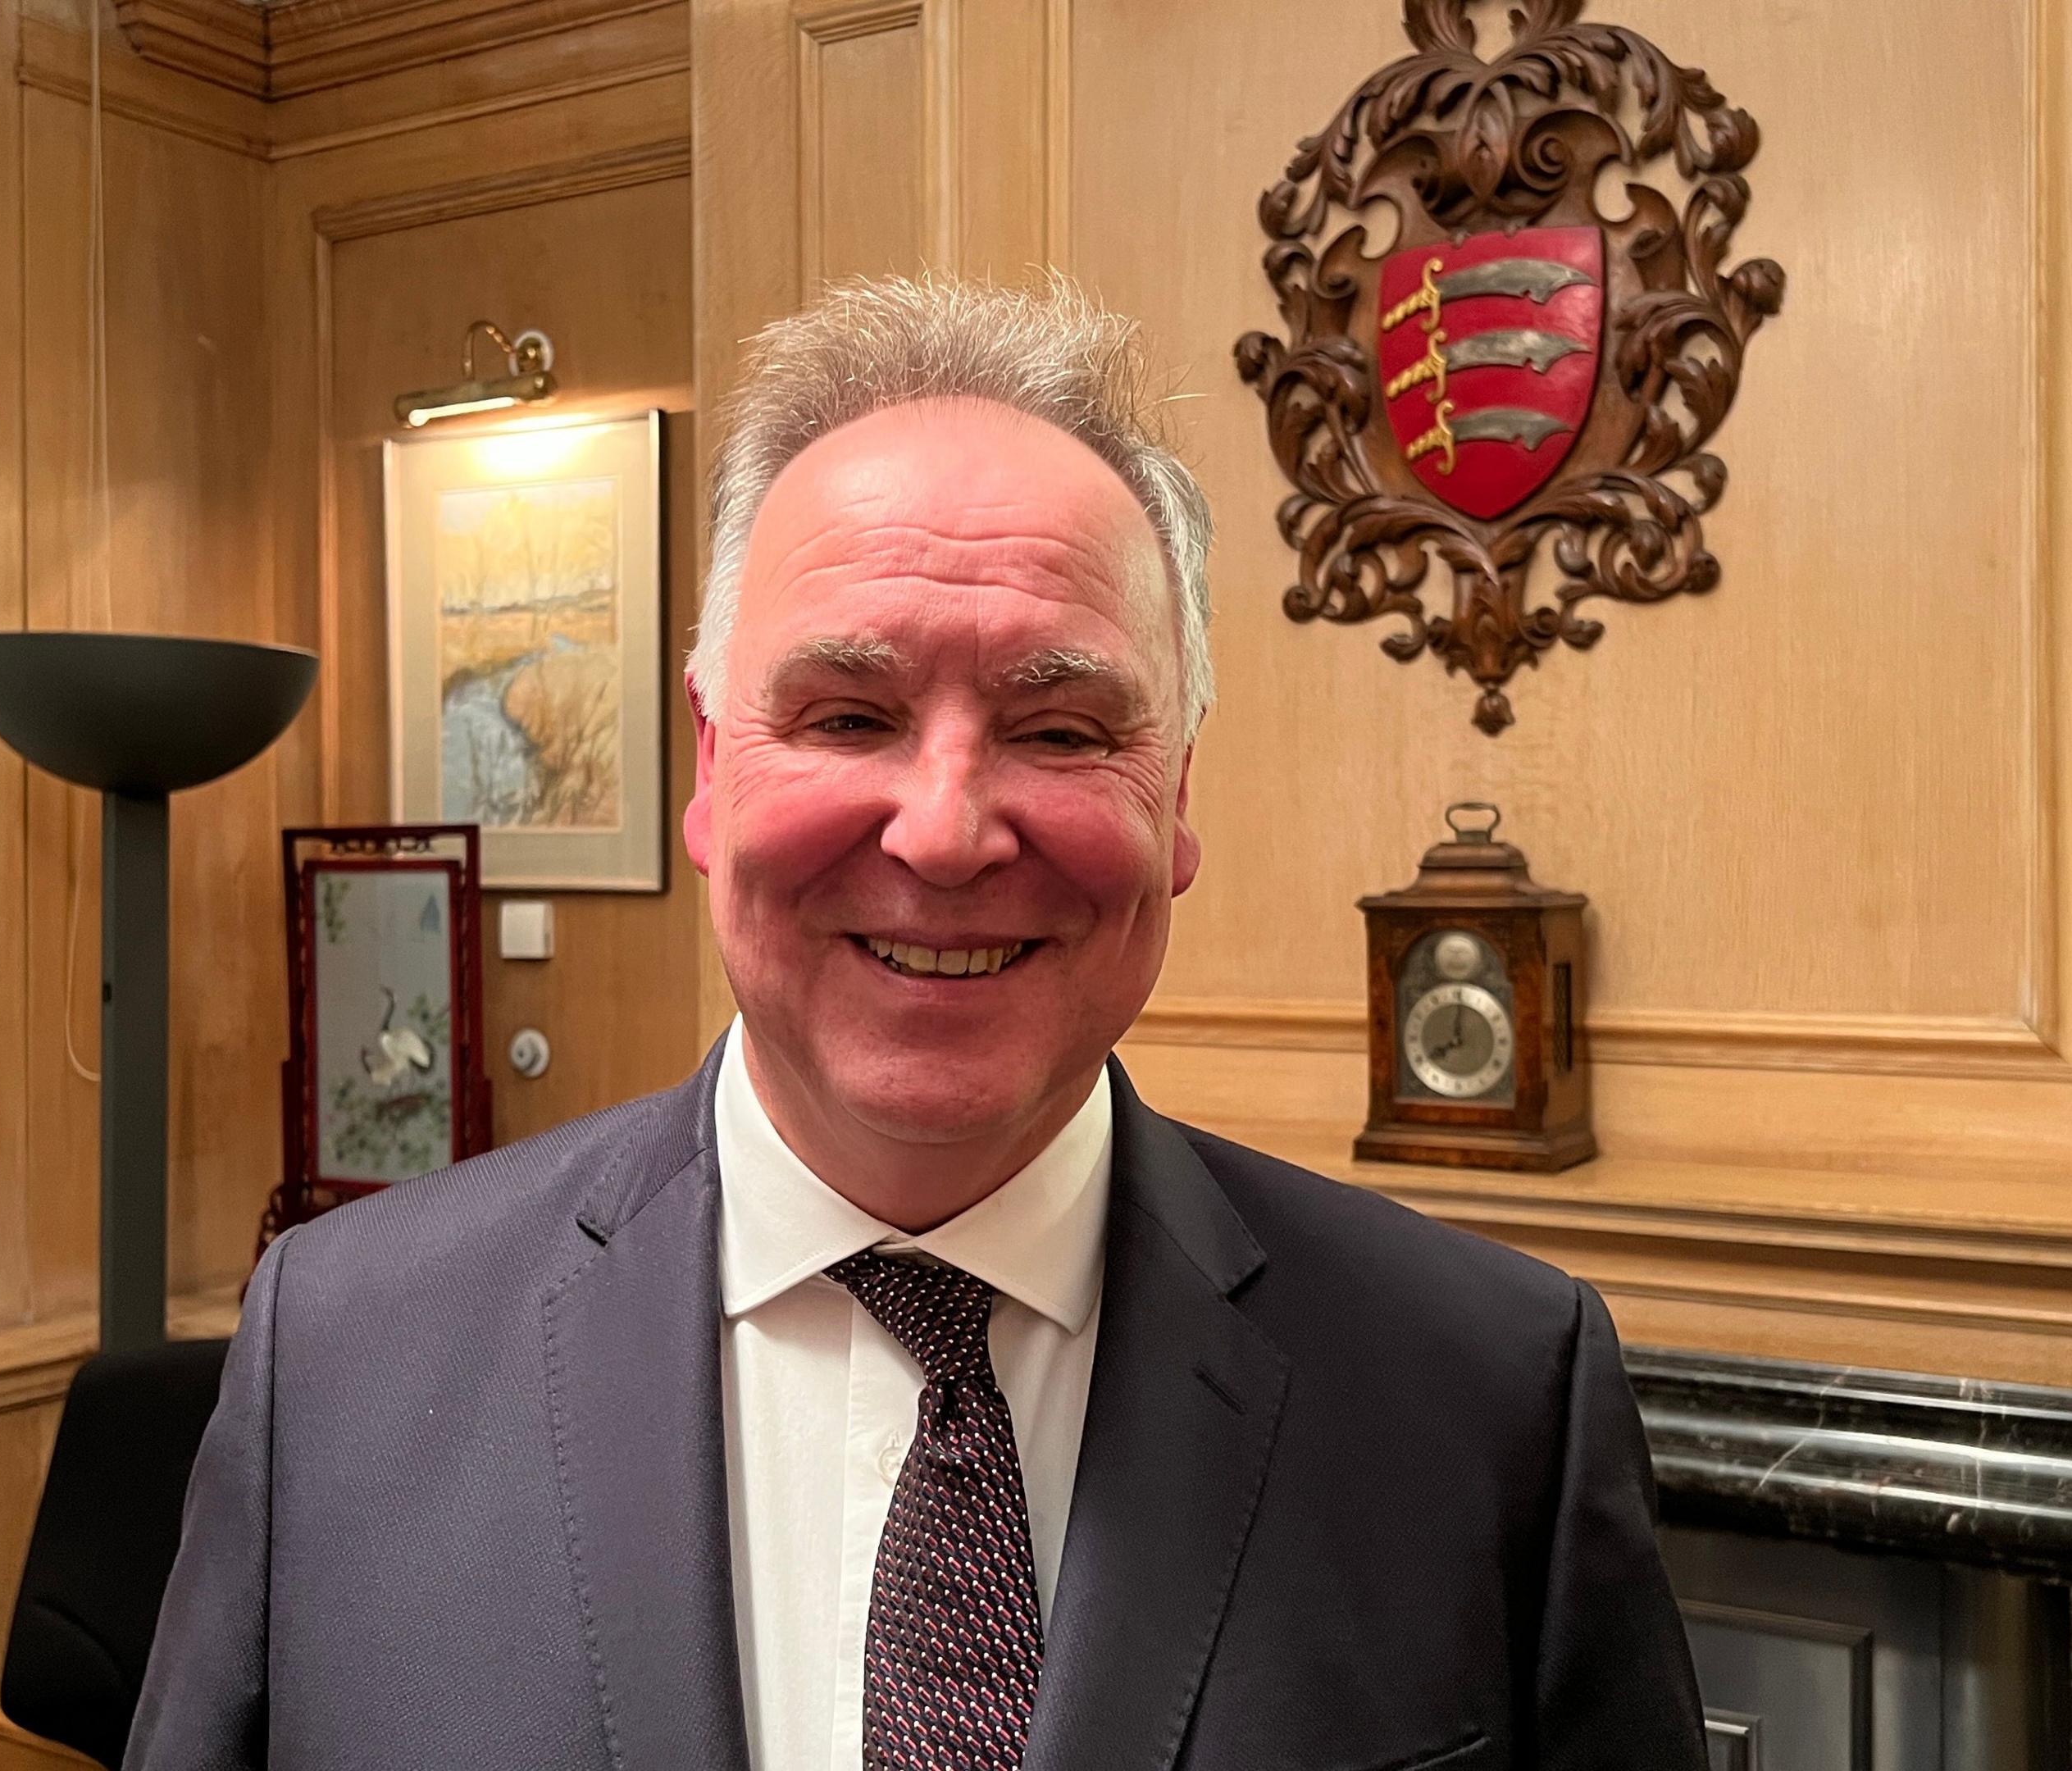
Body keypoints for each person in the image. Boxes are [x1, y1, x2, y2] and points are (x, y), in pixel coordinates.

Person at [125, 274, 1706, 1771]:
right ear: (708, 765)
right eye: (850, 716)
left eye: (1063, 726)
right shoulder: (340, 1356)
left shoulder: (1492, 1397)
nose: (946, 833)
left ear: (1179, 799)